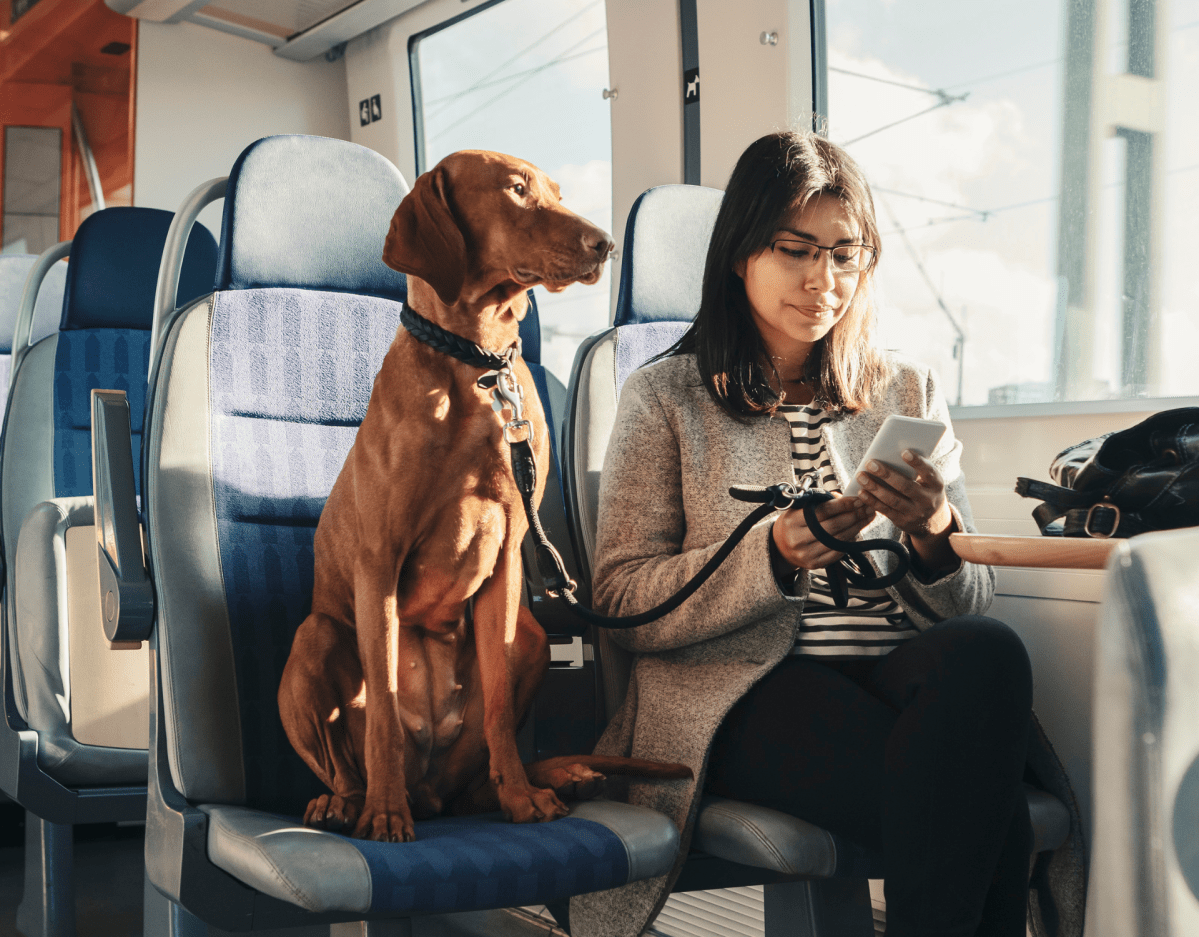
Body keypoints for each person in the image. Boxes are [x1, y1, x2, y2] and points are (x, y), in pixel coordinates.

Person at [569, 132, 1049, 937]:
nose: (822, 280)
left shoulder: (905, 386)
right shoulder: (664, 397)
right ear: (738, 252)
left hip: (891, 676)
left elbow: (970, 597)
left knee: (987, 652)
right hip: (746, 690)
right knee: (982, 810)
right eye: (795, 250)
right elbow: (621, 600)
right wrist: (771, 556)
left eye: (844, 254)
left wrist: (933, 530)